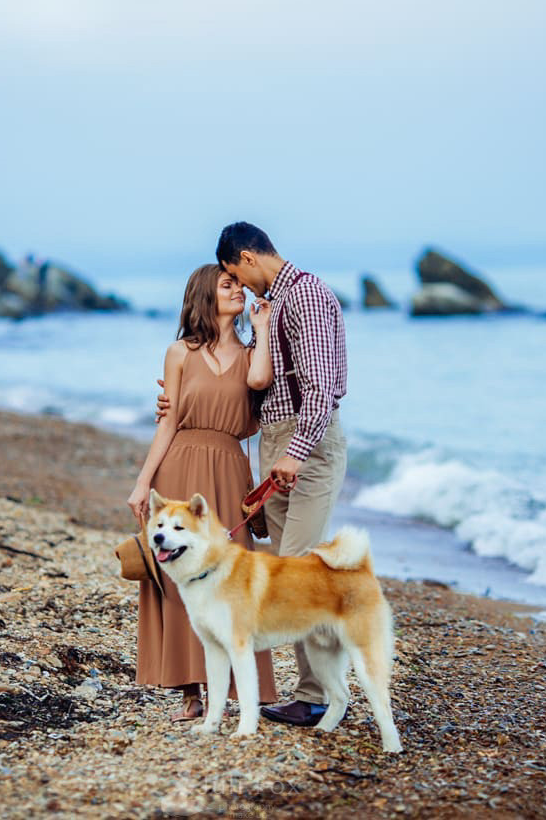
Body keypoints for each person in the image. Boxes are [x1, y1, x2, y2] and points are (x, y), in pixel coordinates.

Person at [158, 223, 348, 727]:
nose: (237, 286)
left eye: (232, 275)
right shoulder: (276, 304)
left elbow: (322, 386)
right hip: (277, 445)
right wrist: (181, 396)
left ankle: (323, 695)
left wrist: (298, 451)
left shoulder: (304, 294)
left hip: (302, 446)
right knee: (289, 570)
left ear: (244, 258)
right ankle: (312, 694)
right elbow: (260, 384)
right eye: (226, 282)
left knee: (301, 573)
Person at [127, 264, 278, 721]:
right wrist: (142, 481)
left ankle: (236, 691)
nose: (237, 290)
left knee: (230, 582)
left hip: (230, 470)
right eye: (227, 285)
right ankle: (190, 692)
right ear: (204, 296)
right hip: (179, 465)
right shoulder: (178, 353)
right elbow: (168, 422)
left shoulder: (255, 352)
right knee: (180, 581)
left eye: (239, 283)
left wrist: (265, 328)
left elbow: (263, 399)